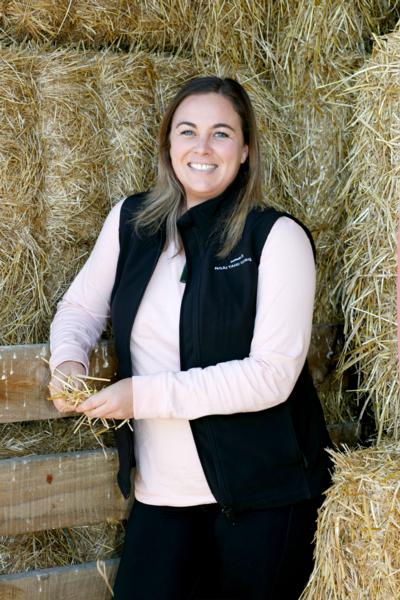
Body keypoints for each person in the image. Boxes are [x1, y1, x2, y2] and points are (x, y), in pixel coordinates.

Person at [49, 76, 332, 600]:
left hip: (261, 496)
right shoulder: (130, 222)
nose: (202, 148)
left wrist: (142, 396)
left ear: (245, 150)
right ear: (168, 144)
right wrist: (68, 360)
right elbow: (81, 307)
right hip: (161, 494)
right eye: (188, 131)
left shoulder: (276, 237)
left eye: (221, 133)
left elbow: (271, 376)